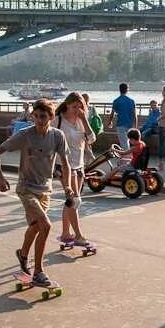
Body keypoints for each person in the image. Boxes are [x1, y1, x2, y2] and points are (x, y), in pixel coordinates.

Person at [0, 98, 71, 288]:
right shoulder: (25, 135)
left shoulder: (57, 136)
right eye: (36, 116)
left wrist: (67, 186)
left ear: (51, 117)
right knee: (46, 225)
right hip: (26, 189)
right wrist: (0, 178)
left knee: (35, 226)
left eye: (44, 116)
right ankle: (39, 271)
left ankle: (23, 254)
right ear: (32, 116)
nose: (40, 120)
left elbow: (65, 164)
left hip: (45, 189)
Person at [55, 92, 96, 246]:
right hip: (64, 165)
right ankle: (78, 235)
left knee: (71, 201)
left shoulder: (80, 120)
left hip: (78, 164)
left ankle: (66, 233)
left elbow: (92, 139)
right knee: (74, 200)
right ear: (67, 105)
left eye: (80, 107)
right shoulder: (58, 120)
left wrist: (84, 119)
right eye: (74, 107)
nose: (77, 110)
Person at [109, 83, 137, 149]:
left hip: (120, 124)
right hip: (130, 124)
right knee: (128, 142)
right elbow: (134, 115)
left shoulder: (116, 101)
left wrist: (110, 122)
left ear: (119, 90)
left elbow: (112, 113)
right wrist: (135, 126)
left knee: (124, 143)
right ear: (127, 90)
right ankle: (128, 156)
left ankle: (127, 156)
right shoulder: (131, 101)